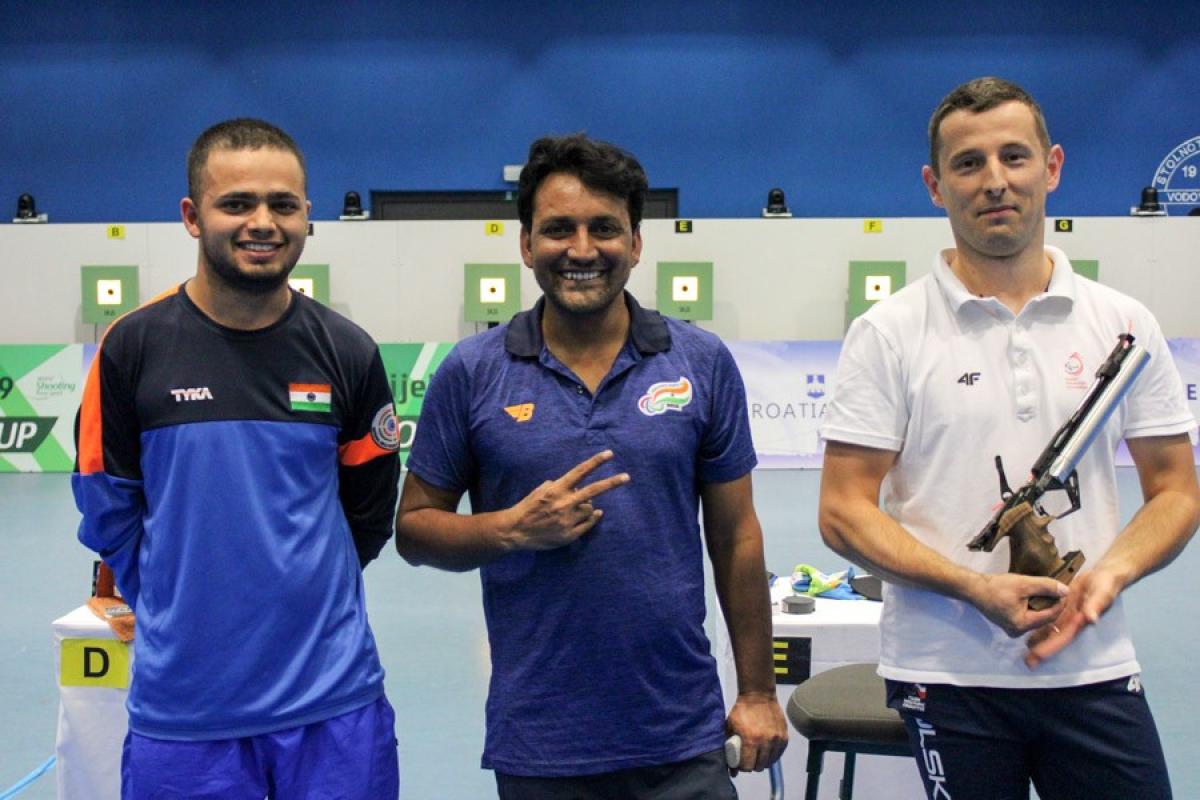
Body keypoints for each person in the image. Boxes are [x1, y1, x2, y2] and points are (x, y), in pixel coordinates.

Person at [818, 76, 1200, 799]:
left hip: (1093, 664)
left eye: (1014, 157)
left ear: (1051, 167)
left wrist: (1109, 576)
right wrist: (974, 589)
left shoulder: (1125, 325)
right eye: (968, 164)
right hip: (945, 673)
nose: (994, 180)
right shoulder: (888, 333)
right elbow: (842, 511)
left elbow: (1176, 490)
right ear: (935, 186)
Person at [395, 133, 787, 799]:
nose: (581, 250)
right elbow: (414, 528)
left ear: (635, 243)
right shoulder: (473, 372)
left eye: (604, 228)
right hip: (542, 743)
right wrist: (511, 529)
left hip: (680, 734)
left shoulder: (700, 362)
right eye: (558, 229)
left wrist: (756, 691)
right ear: (526, 245)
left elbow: (736, 535)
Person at [73, 118, 401, 799]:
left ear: (307, 215)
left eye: (283, 204)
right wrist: (177, 604)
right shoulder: (131, 349)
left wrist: (302, 587)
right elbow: (109, 511)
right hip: (185, 716)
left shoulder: (348, 350)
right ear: (193, 216)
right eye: (237, 204)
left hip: (333, 706)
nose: (263, 223)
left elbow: (369, 513)